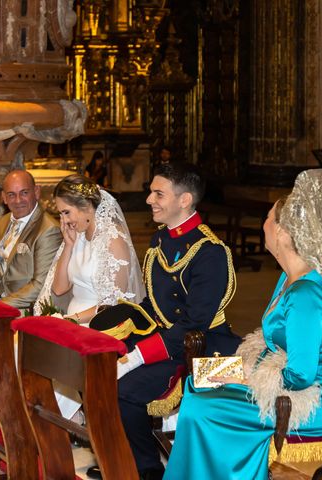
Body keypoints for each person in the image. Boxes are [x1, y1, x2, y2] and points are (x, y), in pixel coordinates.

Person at [164, 169, 322, 480]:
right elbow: (277, 348)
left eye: (269, 218)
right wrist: (234, 371)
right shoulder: (288, 277)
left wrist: (244, 380)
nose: (264, 224)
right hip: (283, 376)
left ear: (282, 232)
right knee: (198, 380)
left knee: (206, 409)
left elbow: (301, 374)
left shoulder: (306, 295)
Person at [89, 162, 240, 479]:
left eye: (158, 193)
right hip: (170, 340)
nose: (149, 200)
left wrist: (136, 357)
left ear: (184, 200)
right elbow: (152, 306)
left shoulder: (210, 251)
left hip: (206, 350)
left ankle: (146, 470)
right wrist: (118, 328)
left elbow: (194, 324)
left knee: (125, 390)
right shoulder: (162, 241)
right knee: (94, 366)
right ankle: (118, 457)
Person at [35, 174, 144, 322]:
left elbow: (114, 303)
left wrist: (71, 320)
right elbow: (59, 288)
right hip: (73, 320)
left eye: (67, 212)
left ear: (86, 206)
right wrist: (68, 245)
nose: (64, 221)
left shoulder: (114, 241)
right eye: (61, 214)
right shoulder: (78, 235)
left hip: (101, 326)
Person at [0, 169, 62, 310]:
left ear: (36, 192)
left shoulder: (48, 230)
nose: (18, 201)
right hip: (1, 307)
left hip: (27, 312)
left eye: (24, 193)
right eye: (11, 195)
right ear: (4, 197)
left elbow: (40, 285)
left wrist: (0, 307)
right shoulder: (2, 222)